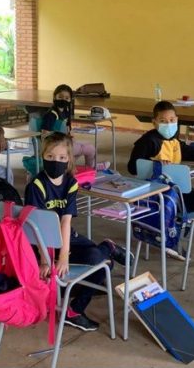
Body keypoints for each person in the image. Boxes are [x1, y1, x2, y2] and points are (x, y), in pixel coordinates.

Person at [24, 132, 129, 332]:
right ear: (42, 156)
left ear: (69, 159)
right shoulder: (36, 186)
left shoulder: (70, 183)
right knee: (103, 264)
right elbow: (36, 226)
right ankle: (74, 310)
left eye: (62, 157)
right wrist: (45, 260)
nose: (56, 161)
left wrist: (64, 256)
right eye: (50, 156)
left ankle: (74, 309)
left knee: (100, 261)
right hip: (43, 244)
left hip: (66, 239)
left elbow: (66, 221)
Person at [40, 84, 106, 170]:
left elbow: (68, 127)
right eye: (60, 97)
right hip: (58, 146)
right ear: (54, 97)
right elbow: (44, 135)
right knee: (90, 149)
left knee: (85, 145)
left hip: (67, 142)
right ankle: (91, 168)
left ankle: (70, 167)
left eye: (67, 98)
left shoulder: (66, 110)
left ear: (70, 99)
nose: (63, 100)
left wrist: (72, 138)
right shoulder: (51, 115)